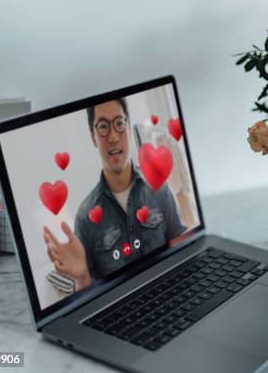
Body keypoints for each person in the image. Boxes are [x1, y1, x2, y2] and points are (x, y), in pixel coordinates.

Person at [43, 99, 186, 291]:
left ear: (128, 128)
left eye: (119, 123)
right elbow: (89, 299)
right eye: (103, 127)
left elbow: (181, 248)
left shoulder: (159, 188)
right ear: (94, 138)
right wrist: (82, 277)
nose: (113, 137)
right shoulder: (85, 218)